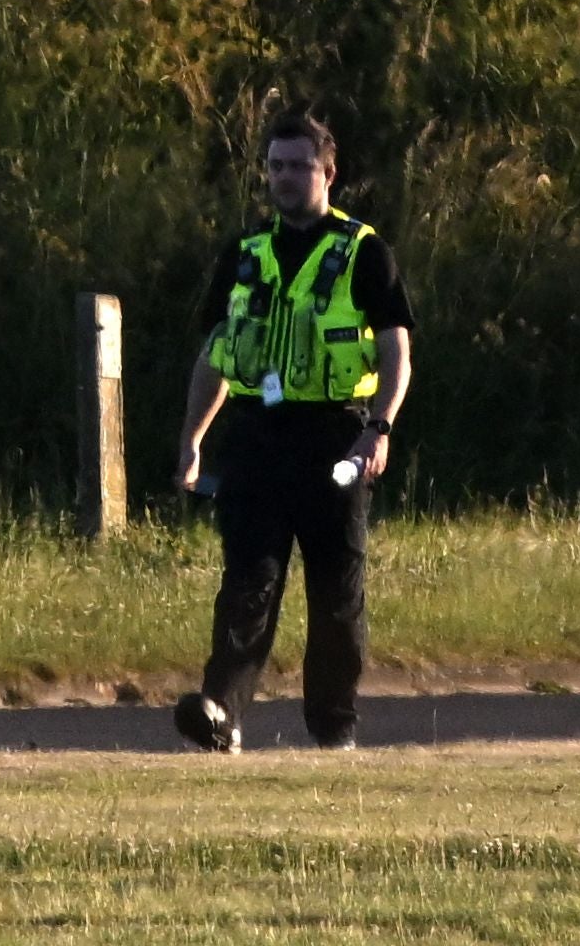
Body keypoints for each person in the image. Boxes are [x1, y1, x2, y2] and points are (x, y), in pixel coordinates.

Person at [167, 108, 415, 752]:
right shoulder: (245, 255)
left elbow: (396, 351)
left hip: (336, 436)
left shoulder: (364, 252)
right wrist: (194, 438)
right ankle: (221, 712)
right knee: (248, 580)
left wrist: (379, 430)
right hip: (256, 436)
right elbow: (217, 354)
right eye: (275, 165)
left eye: (299, 165)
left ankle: (334, 728)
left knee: (337, 591)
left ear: (329, 173)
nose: (284, 177)